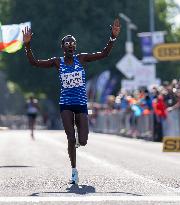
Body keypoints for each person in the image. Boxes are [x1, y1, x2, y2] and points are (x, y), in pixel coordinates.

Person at [22, 19, 120, 184]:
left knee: (83, 141)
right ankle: (74, 171)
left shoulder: (81, 59)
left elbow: (104, 54)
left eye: (72, 43)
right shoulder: (57, 62)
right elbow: (34, 63)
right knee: (70, 138)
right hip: (66, 104)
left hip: (81, 104)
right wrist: (27, 45)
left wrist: (112, 37)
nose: (70, 45)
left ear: (75, 47)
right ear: (63, 47)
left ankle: (77, 140)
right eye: (67, 43)